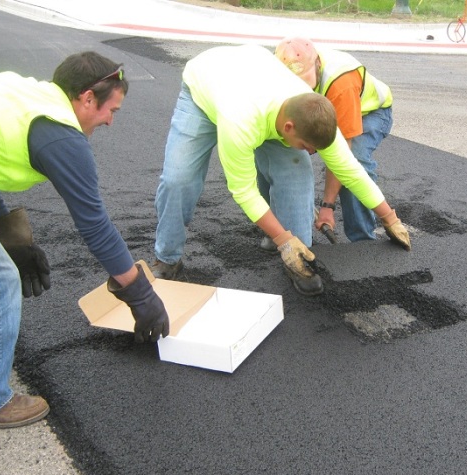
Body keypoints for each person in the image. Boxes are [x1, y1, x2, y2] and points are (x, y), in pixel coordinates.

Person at [0, 52, 170, 429]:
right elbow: (93, 224)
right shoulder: (60, 135)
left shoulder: (32, 99)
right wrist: (138, 292)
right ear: (87, 97)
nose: (110, 121)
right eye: (112, 110)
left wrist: (7, 233)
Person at [152, 44, 410, 296]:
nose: (311, 151)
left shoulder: (312, 113)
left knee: (297, 171)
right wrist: (282, 239)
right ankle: (168, 258)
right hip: (206, 89)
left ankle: (300, 260)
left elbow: (350, 169)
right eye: (306, 145)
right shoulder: (239, 122)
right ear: (288, 128)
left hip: (260, 87)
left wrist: (389, 218)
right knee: (179, 179)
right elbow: (243, 191)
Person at [275, 37, 394, 242]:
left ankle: (362, 240)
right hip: (319, 112)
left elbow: (342, 157)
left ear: (317, 64)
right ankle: (289, 221)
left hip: (369, 112)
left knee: (355, 162)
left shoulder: (340, 83)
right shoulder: (280, 70)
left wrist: (327, 206)